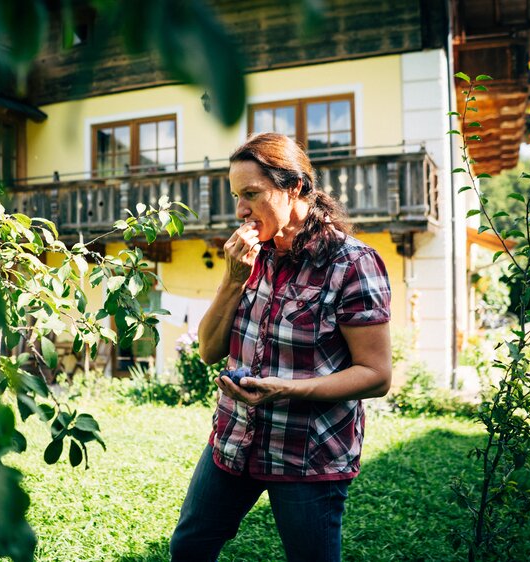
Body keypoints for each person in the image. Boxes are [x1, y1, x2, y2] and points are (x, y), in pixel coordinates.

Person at [169, 133, 392, 562]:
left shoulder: (352, 264)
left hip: (309, 453)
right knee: (189, 547)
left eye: (251, 194)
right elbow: (208, 350)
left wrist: (285, 390)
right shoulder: (252, 258)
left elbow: (376, 375)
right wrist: (234, 277)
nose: (240, 210)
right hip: (236, 437)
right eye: (237, 196)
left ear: (294, 187)